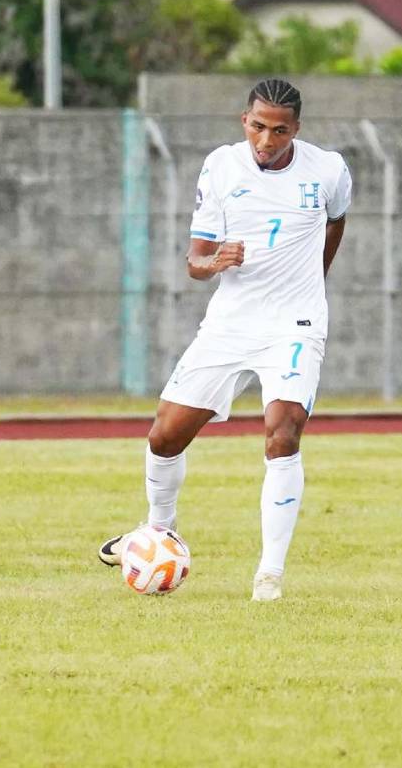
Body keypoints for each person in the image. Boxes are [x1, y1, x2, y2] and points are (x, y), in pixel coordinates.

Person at [99, 78, 352, 601]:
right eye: (258, 127)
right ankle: (156, 532)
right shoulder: (220, 166)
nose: (266, 140)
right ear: (245, 121)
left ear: (296, 131)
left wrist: (313, 283)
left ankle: (269, 577)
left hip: (295, 325)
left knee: (283, 433)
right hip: (230, 324)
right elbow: (195, 261)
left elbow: (336, 222)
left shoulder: (328, 170)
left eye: (279, 131)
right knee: (164, 437)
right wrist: (216, 262)